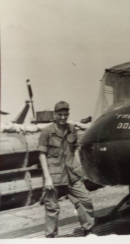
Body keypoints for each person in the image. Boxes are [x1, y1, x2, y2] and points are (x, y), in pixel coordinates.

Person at [38, 101, 95, 237]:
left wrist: (79, 166)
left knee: (85, 200)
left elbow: (75, 149)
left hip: (72, 174)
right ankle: (51, 237)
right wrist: (47, 178)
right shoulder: (46, 132)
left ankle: (88, 231)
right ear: (54, 114)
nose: (63, 117)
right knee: (52, 208)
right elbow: (42, 155)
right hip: (54, 176)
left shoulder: (72, 129)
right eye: (60, 114)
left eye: (65, 114)